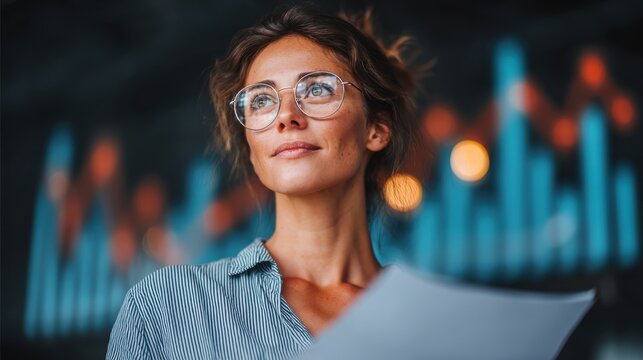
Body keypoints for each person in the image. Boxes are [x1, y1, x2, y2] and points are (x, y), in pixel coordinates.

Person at [107, 5, 420, 359]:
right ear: (253, 151)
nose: (286, 116)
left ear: (376, 130)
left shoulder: (433, 321)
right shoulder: (165, 308)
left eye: (317, 89)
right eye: (262, 100)